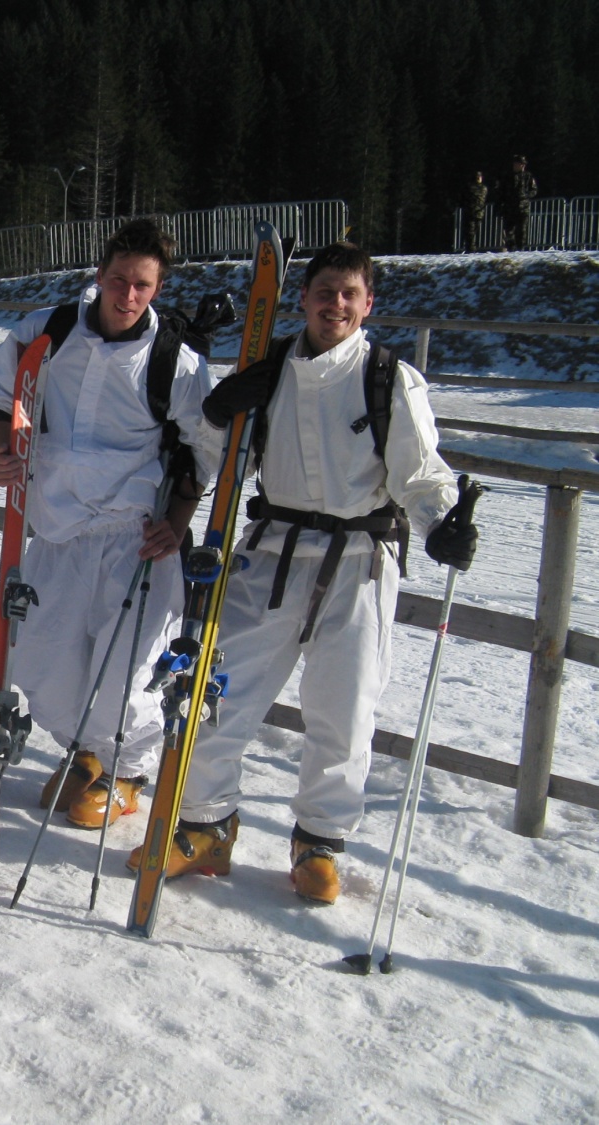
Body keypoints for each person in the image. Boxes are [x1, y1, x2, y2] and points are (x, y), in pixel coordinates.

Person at [132, 241, 478, 905]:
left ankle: (318, 842)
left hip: (359, 562)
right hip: (274, 553)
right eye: (325, 291)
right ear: (304, 297)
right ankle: (206, 825)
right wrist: (217, 409)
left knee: (344, 710)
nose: (336, 304)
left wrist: (444, 524)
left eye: (350, 294)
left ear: (368, 303)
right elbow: (215, 456)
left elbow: (420, 472)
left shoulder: (387, 379)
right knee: (217, 690)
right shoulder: (269, 371)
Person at [0, 218, 220, 830]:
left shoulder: (177, 363)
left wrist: (177, 520)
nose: (128, 296)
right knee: (44, 661)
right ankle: (85, 755)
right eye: (119, 280)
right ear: (99, 275)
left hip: (132, 536)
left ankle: (127, 774)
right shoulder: (48, 331)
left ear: (157, 289)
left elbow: (203, 450)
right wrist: (0, 449)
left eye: (143, 285)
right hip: (57, 529)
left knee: (127, 671)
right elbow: (1, 398)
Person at [498, 155, 538, 251]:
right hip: (509, 207)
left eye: (520, 164)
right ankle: (510, 248)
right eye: (516, 164)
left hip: (523, 207)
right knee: (509, 230)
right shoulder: (507, 176)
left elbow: (534, 190)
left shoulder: (528, 176)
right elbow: (501, 191)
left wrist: (526, 196)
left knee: (521, 230)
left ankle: (520, 249)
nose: (517, 166)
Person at [463, 171, 487, 253]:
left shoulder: (472, 187)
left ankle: (470, 248)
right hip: (476, 212)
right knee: (471, 232)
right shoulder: (483, 188)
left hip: (473, 212)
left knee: (471, 232)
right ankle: (471, 248)